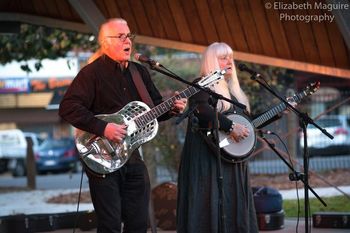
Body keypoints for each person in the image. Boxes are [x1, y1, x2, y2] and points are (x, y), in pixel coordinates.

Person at [59, 18, 187, 233]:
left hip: (132, 157)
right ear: (105, 43)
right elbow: (68, 108)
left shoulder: (139, 73)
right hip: (102, 156)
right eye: (120, 36)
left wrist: (172, 108)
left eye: (129, 35)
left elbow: (153, 111)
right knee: (110, 225)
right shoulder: (91, 74)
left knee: (138, 223)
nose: (127, 40)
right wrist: (103, 128)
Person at [176, 42, 259, 233]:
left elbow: (248, 125)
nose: (229, 61)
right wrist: (230, 126)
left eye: (231, 57)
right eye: (223, 57)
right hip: (207, 159)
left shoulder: (234, 93)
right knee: (207, 205)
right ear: (212, 61)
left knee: (233, 207)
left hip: (233, 161)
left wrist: (279, 112)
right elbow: (202, 110)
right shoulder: (200, 85)